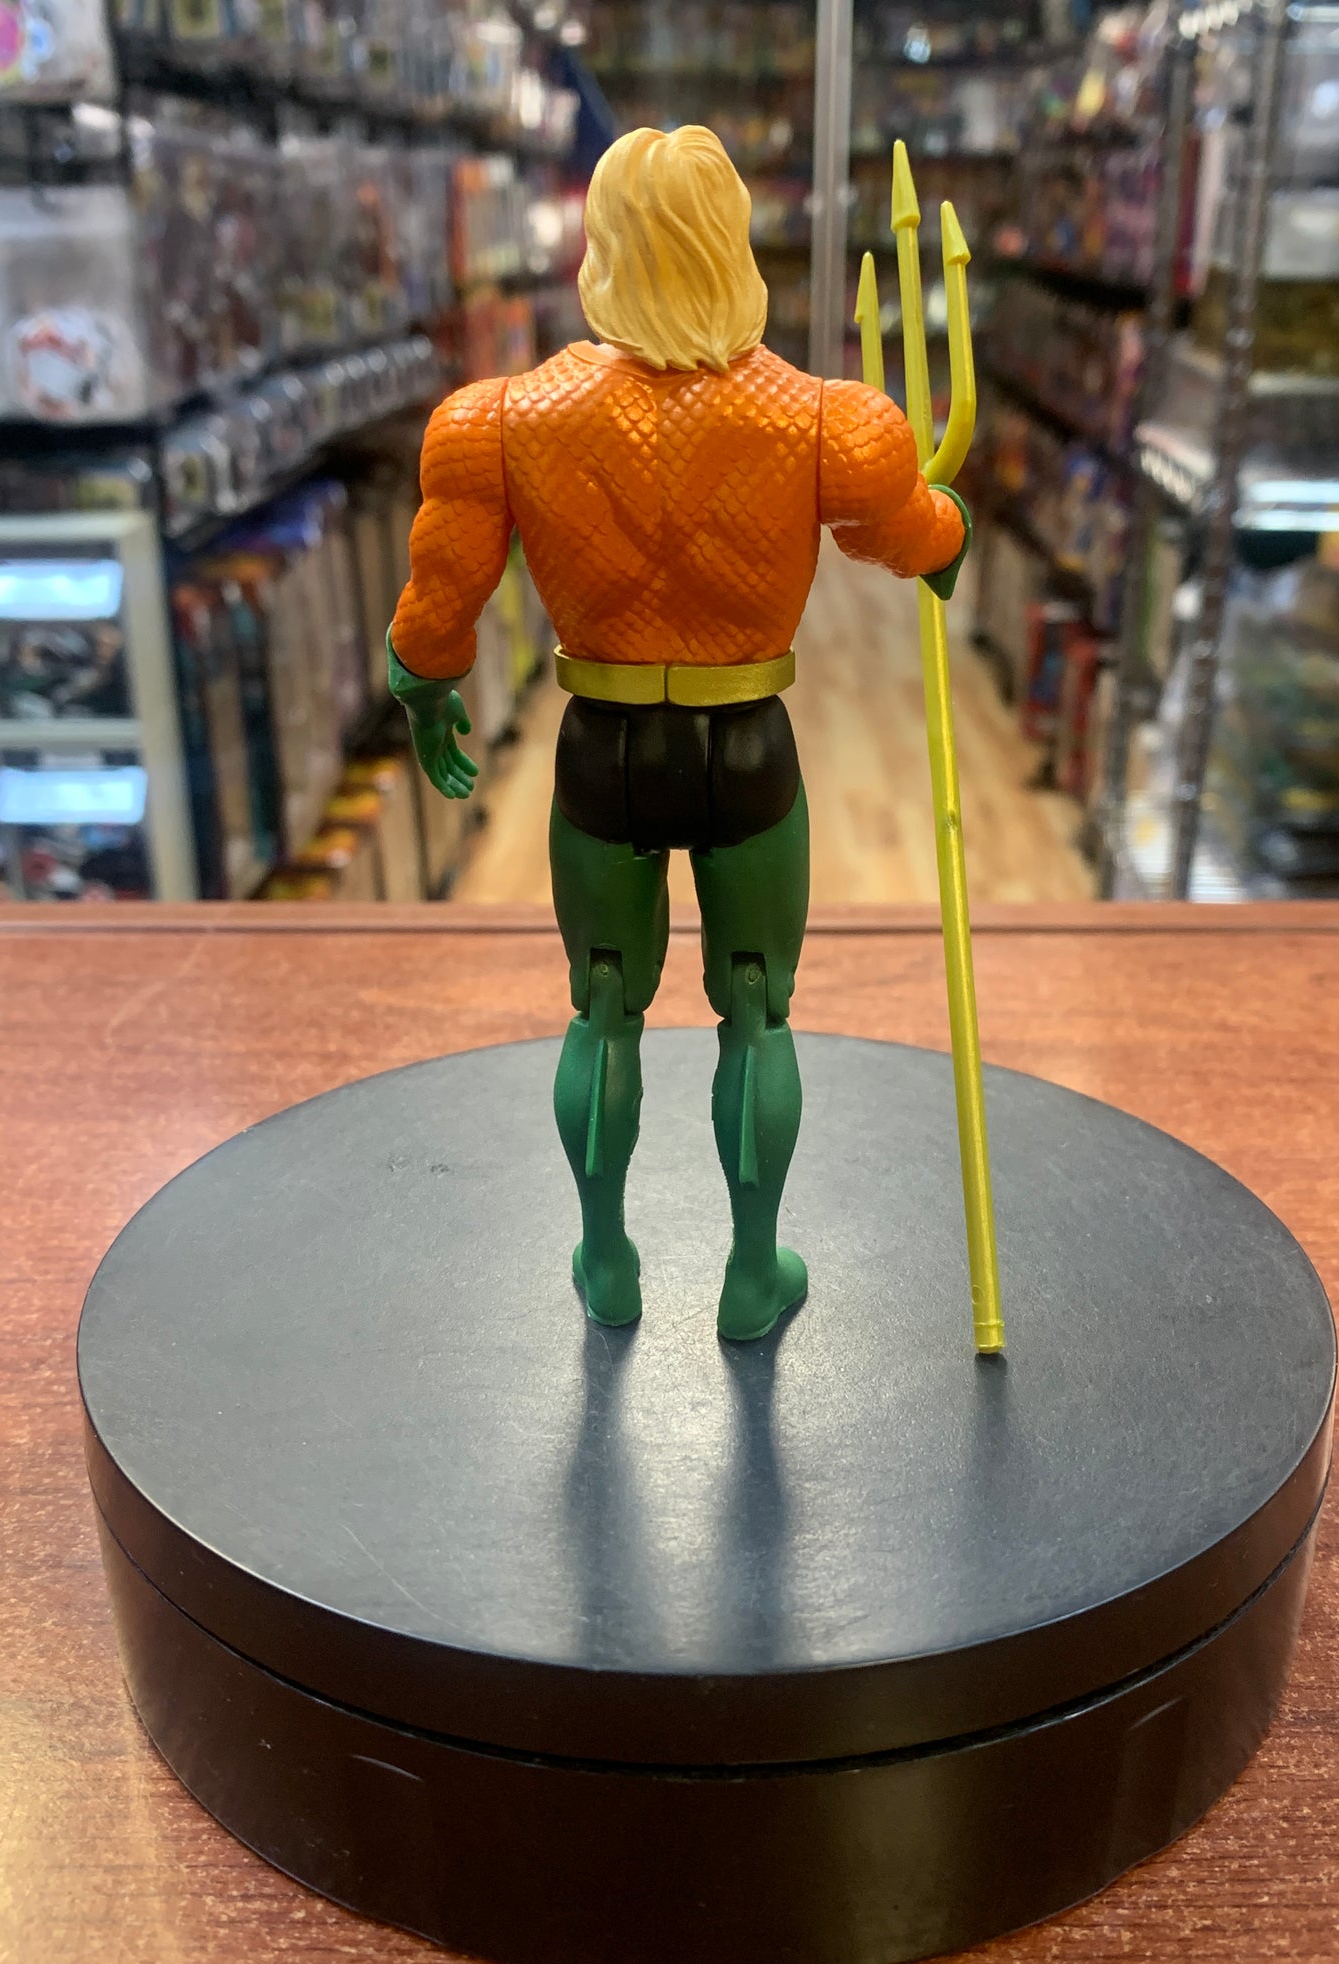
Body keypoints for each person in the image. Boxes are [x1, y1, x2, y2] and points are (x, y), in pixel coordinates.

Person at [389, 125, 969, 1341]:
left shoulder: (504, 419)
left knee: (601, 1004)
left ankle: (605, 1256)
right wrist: (949, 524)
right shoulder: (826, 422)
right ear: (731, 241)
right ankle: (752, 1273)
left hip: (600, 747)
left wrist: (424, 686)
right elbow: (911, 535)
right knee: (757, 1008)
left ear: (600, 244)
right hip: (744, 743)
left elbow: (439, 603)